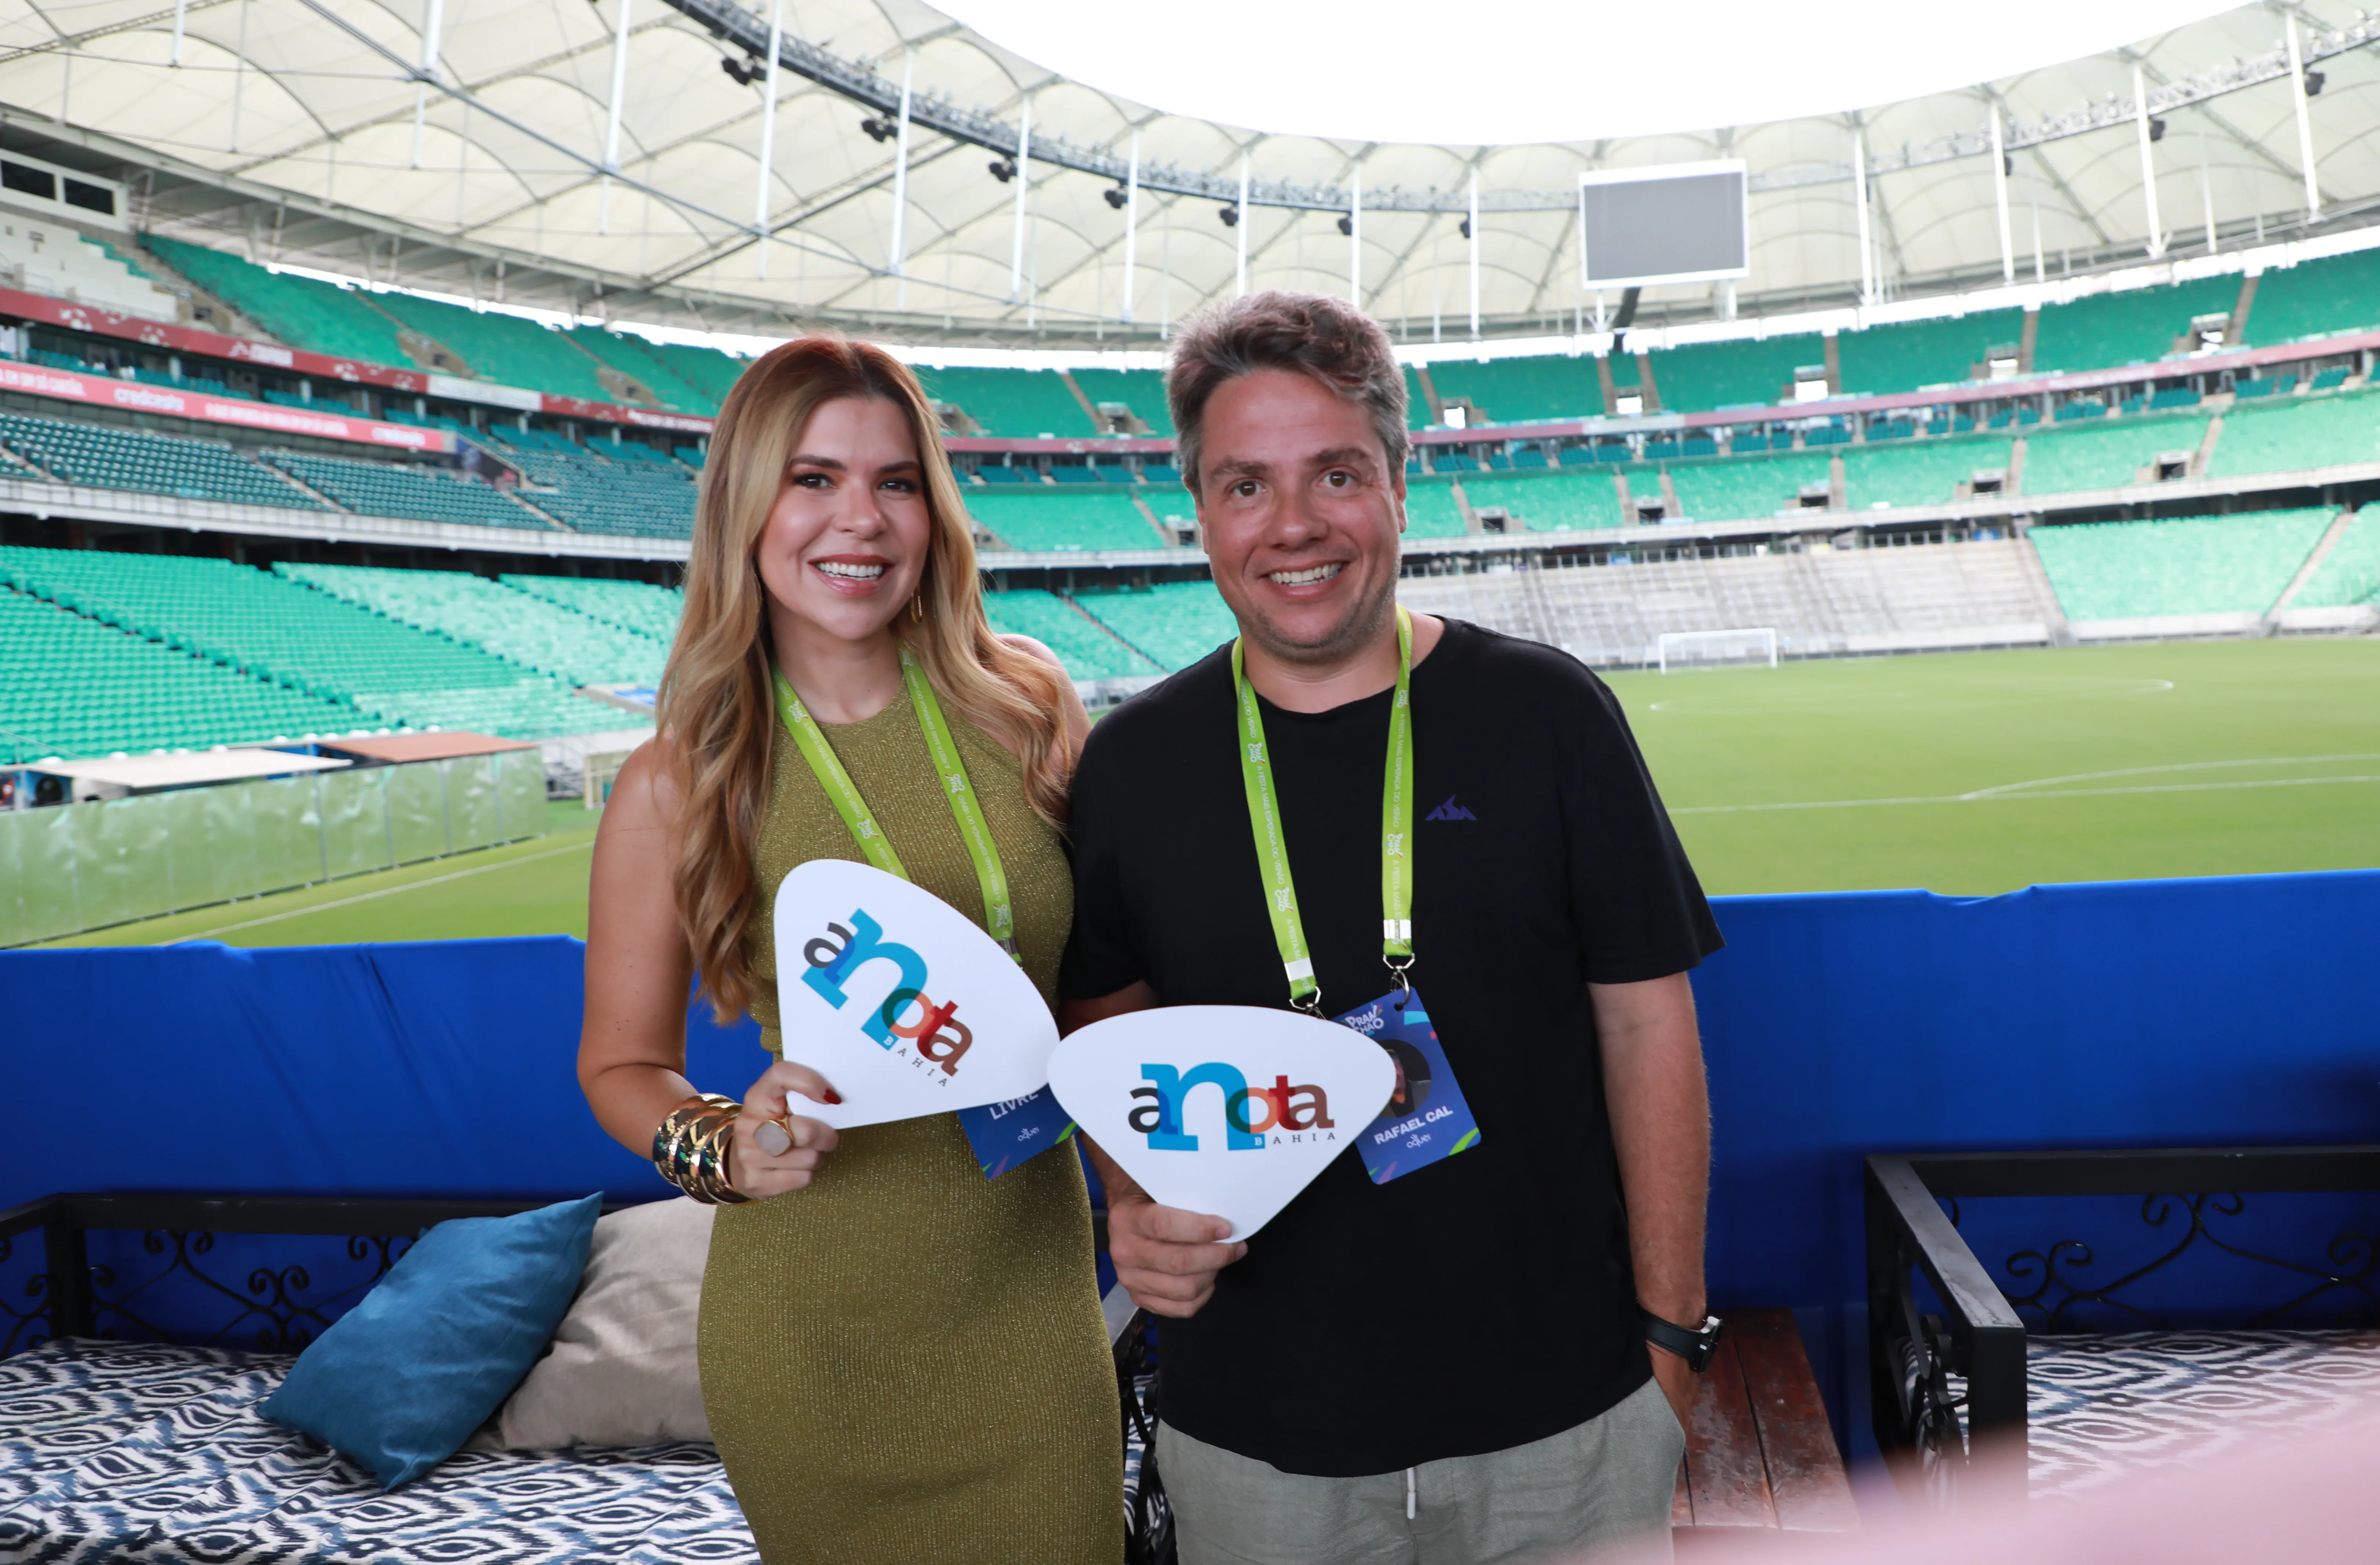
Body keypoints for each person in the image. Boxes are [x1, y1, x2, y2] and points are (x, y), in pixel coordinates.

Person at [1062, 291, 1724, 1565]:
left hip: (1568, 1426)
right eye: (1245, 485)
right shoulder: (1133, 766)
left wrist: (1672, 1343)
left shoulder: (1548, 716)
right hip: (1256, 1436)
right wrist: (1135, 1202)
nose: (1296, 525)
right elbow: (1105, 1014)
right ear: (1195, 508)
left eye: (1336, 474)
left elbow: (1649, 1023)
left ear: (1400, 485)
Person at [578, 334, 1120, 1565]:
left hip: (1030, 1317)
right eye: (813, 478)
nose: (858, 520)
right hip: (809, 1341)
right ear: (746, 506)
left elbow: (1101, 994)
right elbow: (617, 1066)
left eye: (896, 481)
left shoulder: (1027, 704)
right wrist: (722, 1143)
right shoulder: (681, 781)